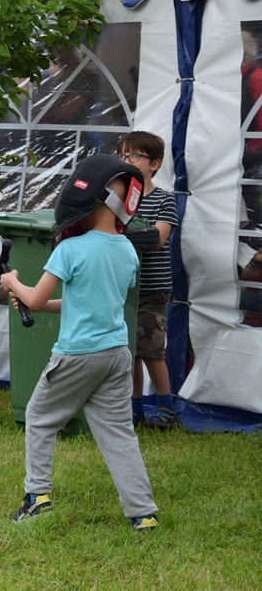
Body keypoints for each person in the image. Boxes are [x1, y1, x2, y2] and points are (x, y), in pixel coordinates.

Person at [0, 153, 159, 531]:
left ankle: (37, 497)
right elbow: (86, 300)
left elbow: (35, 298)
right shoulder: (126, 250)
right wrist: (30, 296)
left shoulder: (69, 249)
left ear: (92, 201)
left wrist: (13, 283)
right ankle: (143, 513)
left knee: (39, 417)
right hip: (117, 355)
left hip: (77, 355)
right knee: (119, 433)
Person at [114, 132, 179, 428]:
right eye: (122, 156)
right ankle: (134, 408)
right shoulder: (116, 200)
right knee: (129, 351)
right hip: (124, 288)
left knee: (150, 350)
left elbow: (158, 238)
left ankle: (167, 409)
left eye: (134, 156)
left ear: (154, 164)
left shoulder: (164, 200)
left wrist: (123, 234)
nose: (126, 161)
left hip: (153, 289)